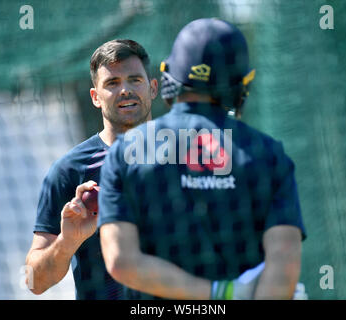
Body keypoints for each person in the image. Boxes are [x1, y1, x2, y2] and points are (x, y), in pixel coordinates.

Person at [98, 18, 307, 299]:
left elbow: (120, 261)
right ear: (241, 84)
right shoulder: (268, 155)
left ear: (170, 76)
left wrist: (218, 295)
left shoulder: (126, 152)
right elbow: (284, 265)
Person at [25, 39, 158, 299]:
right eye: (112, 83)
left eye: (135, 80)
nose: (125, 90)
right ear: (95, 97)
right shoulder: (69, 171)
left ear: (153, 88)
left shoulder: (188, 157)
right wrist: (68, 241)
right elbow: (34, 282)